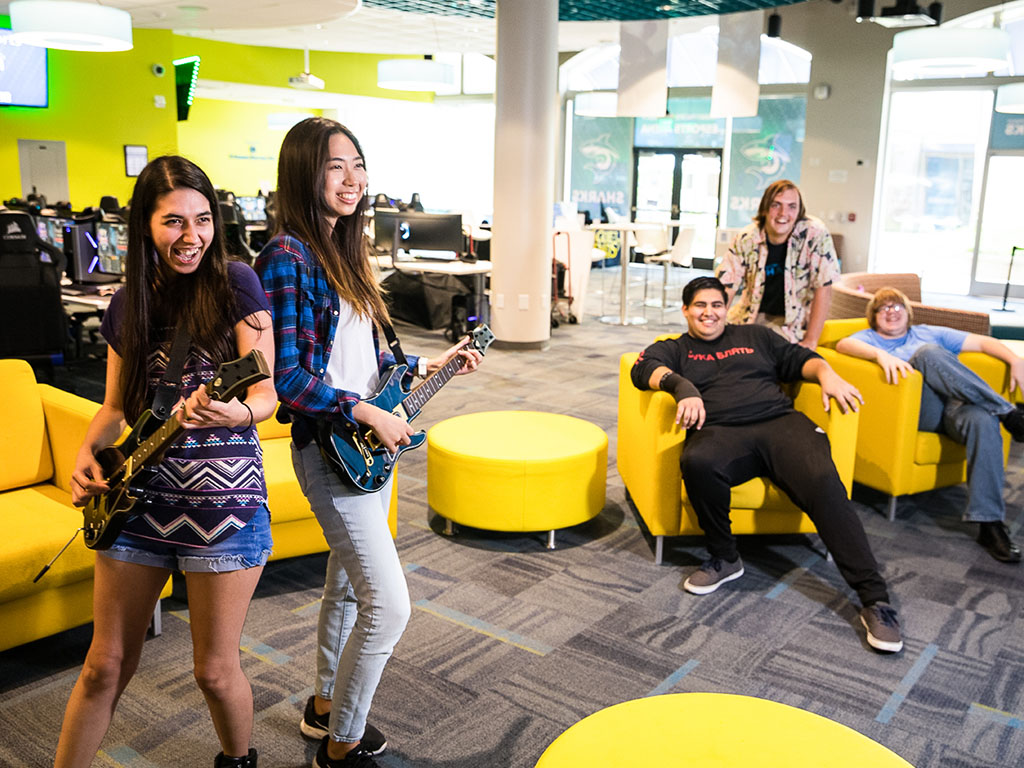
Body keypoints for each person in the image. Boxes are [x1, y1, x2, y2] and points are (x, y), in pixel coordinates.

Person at [255, 117, 482, 768]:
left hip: (364, 445)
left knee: (349, 589)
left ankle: (323, 706)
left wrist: (432, 368)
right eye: (335, 167)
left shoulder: (347, 252)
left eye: (358, 165)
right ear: (304, 173)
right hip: (330, 450)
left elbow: (366, 362)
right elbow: (288, 378)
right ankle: (343, 745)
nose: (353, 180)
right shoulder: (287, 256)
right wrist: (361, 410)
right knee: (389, 607)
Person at [56, 156, 278, 768]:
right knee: (103, 666)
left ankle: (238, 761)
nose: (192, 237)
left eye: (203, 220)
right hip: (137, 505)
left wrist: (239, 413)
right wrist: (84, 452)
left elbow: (264, 393)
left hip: (222, 506)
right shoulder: (128, 303)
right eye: (174, 221)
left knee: (212, 671)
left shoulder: (237, 284)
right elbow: (112, 410)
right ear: (144, 225)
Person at [630, 275, 903, 653]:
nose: (709, 313)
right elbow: (642, 369)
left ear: (727, 308)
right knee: (697, 461)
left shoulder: (756, 336)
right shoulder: (676, 349)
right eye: (700, 306)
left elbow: (800, 360)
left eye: (716, 305)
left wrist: (828, 374)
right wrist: (682, 387)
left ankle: (875, 600)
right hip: (722, 432)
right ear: (686, 310)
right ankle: (725, 557)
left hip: (779, 424)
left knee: (824, 481)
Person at [835, 287, 1024, 563]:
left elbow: (984, 343)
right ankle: (1010, 414)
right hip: (919, 413)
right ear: (873, 317)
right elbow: (842, 345)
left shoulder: (928, 331)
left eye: (897, 306)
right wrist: (879, 355)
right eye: (883, 308)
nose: (891, 311)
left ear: (908, 313)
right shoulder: (869, 338)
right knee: (928, 354)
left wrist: (1015, 359)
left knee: (983, 420)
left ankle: (990, 523)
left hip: (957, 408)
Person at [716, 180, 838, 349]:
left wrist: (811, 340)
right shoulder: (746, 238)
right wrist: (713, 329)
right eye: (776, 205)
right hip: (750, 314)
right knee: (723, 346)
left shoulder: (815, 234)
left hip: (792, 321)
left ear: (799, 211)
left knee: (764, 351)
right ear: (765, 208)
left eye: (791, 206)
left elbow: (824, 287)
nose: (783, 213)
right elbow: (726, 287)